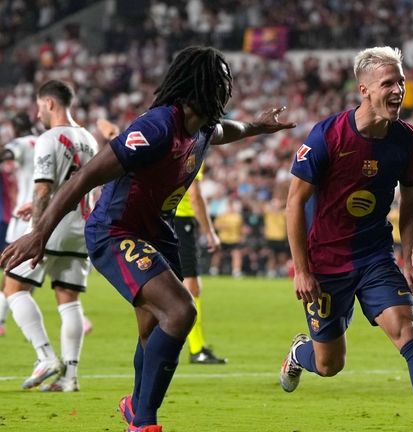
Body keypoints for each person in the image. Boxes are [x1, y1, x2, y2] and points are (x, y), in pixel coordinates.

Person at [0, 46, 295, 432]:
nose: (227, 87)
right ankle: (144, 423)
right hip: (115, 230)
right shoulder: (155, 128)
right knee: (181, 311)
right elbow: (85, 176)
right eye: (220, 79)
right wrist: (40, 232)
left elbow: (228, 130)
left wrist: (257, 127)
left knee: (153, 329)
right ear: (196, 85)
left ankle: (135, 408)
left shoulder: (204, 126)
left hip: (158, 232)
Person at [281, 46, 413, 432]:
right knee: (330, 364)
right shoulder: (327, 136)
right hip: (325, 264)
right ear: (363, 90)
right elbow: (293, 204)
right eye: (389, 83)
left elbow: (411, 200)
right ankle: (299, 354)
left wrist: (409, 259)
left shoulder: (407, 140)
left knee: (407, 328)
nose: (399, 89)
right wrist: (302, 269)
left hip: (374, 257)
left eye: (401, 81)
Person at [2, 82, 99, 392]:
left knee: (13, 287)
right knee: (68, 300)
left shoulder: (48, 138)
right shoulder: (89, 140)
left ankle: (45, 356)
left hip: (51, 228)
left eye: (40, 106)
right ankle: (70, 378)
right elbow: (81, 185)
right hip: (80, 227)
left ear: (50, 103)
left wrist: (37, 232)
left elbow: (44, 186)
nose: (38, 112)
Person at [173, 165, 227, 364]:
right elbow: (194, 195)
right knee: (192, 286)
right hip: (181, 220)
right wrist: (210, 232)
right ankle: (197, 349)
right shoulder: (195, 146)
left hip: (163, 216)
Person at [0, 112, 37, 338]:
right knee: (31, 274)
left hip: (22, 216)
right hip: (41, 216)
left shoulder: (18, 143)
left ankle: (1, 320)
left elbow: (7, 153)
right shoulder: (43, 140)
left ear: (15, 127)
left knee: (10, 271)